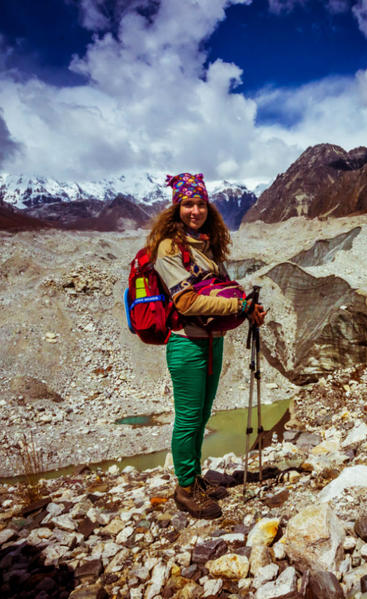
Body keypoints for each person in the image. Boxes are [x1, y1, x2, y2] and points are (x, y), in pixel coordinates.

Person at [146, 172, 266, 519]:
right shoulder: (169, 248)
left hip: (211, 342)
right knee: (187, 418)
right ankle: (185, 490)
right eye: (188, 204)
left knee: (202, 415)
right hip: (186, 344)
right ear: (177, 207)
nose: (195, 210)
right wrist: (238, 307)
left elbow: (218, 288)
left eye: (200, 203)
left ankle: (195, 478)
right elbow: (186, 303)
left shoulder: (207, 245)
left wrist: (248, 308)